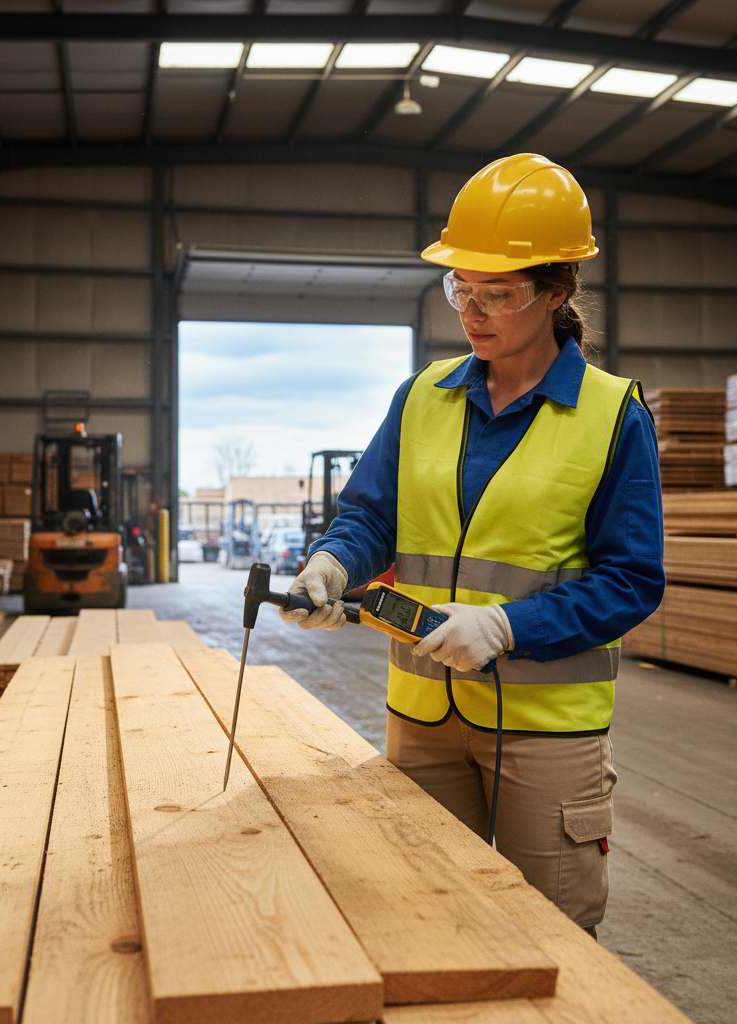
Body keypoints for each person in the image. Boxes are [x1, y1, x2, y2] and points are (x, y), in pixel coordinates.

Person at [280, 153, 665, 936]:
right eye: (462, 289)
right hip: (422, 716)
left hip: (545, 733)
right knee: (421, 923)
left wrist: (506, 627)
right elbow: (369, 517)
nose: (474, 312)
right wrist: (331, 565)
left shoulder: (610, 415)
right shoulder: (423, 395)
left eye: (500, 293)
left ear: (556, 293)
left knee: (547, 939)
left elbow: (631, 581)